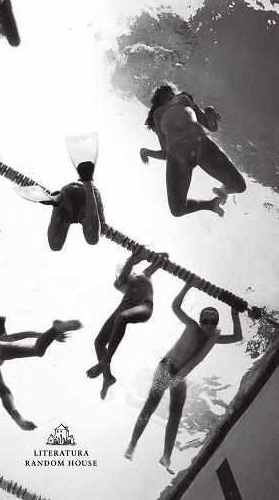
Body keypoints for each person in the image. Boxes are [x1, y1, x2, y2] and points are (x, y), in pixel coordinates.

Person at [124, 279, 243, 474]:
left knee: (176, 414)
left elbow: (237, 337)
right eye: (205, 321)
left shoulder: (212, 339)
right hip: (166, 368)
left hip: (181, 375)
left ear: (216, 324)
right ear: (200, 321)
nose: (208, 326)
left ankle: (166, 456)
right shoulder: (192, 326)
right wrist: (188, 285)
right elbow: (175, 306)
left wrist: (234, 314)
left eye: (213, 322)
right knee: (150, 406)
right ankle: (132, 444)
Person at [140, 85, 246, 217]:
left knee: (239, 186)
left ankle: (223, 191)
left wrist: (209, 111)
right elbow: (166, 152)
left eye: (172, 92)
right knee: (177, 210)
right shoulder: (158, 114)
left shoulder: (182, 99)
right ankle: (210, 204)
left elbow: (212, 127)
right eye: (170, 92)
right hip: (179, 155)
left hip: (198, 143)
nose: (173, 93)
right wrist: (146, 152)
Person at [86, 249, 167, 399]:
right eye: (120, 272)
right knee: (99, 342)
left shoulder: (144, 274)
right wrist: (132, 260)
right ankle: (108, 377)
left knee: (121, 317)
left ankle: (106, 359)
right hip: (125, 307)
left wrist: (146, 255)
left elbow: (165, 257)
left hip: (143, 306)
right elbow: (123, 274)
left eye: (124, 270)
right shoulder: (119, 284)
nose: (122, 273)